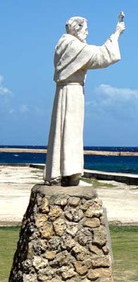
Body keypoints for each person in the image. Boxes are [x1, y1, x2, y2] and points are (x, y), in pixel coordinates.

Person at [44, 14, 125, 186]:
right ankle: (71, 174)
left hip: (65, 91)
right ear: (77, 28)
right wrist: (116, 34)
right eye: (86, 30)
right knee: (71, 132)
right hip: (72, 92)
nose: (87, 34)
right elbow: (100, 56)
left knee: (62, 130)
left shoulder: (63, 44)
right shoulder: (72, 46)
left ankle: (59, 173)